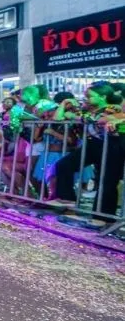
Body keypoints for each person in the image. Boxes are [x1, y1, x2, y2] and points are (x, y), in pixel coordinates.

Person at [53, 82, 124, 220]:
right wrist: (64, 104)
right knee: (63, 165)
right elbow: (58, 118)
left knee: (107, 182)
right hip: (92, 145)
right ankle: (68, 200)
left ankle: (104, 217)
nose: (85, 99)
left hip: (112, 147)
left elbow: (102, 120)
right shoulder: (87, 110)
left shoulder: (112, 109)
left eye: (89, 96)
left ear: (103, 96)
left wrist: (75, 116)